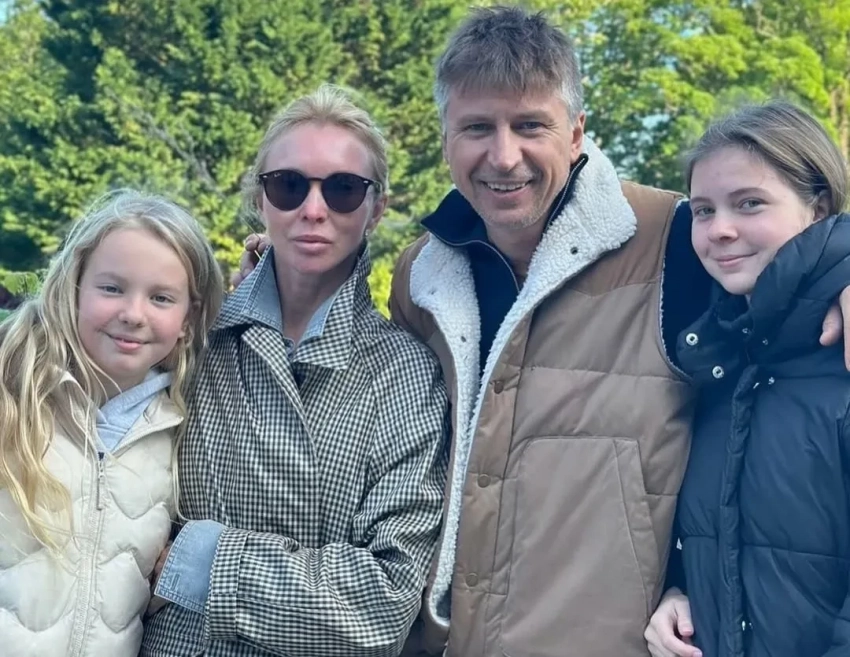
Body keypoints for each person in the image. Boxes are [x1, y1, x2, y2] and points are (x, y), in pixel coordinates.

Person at [234, 8, 850, 657]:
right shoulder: (421, 276)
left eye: (530, 125)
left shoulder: (677, 240)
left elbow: (787, 264)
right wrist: (273, 279)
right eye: (477, 127)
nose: (504, 156)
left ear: (576, 131)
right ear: (446, 139)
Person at [140, 84, 450, 657]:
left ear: (377, 208)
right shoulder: (188, 340)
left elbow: (383, 605)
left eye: (342, 189)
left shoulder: (407, 374)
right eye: (288, 185)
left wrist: (199, 562)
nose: (313, 209)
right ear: (261, 199)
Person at [644, 102, 850, 657]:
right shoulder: (715, 369)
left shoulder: (840, 367)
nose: (720, 230)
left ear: (817, 208)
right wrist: (681, 591)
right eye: (703, 211)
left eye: (750, 203)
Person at [0, 190, 224, 657]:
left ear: (188, 319)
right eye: (112, 289)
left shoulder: (180, 429)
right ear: (74, 288)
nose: (133, 314)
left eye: (161, 298)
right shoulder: (13, 393)